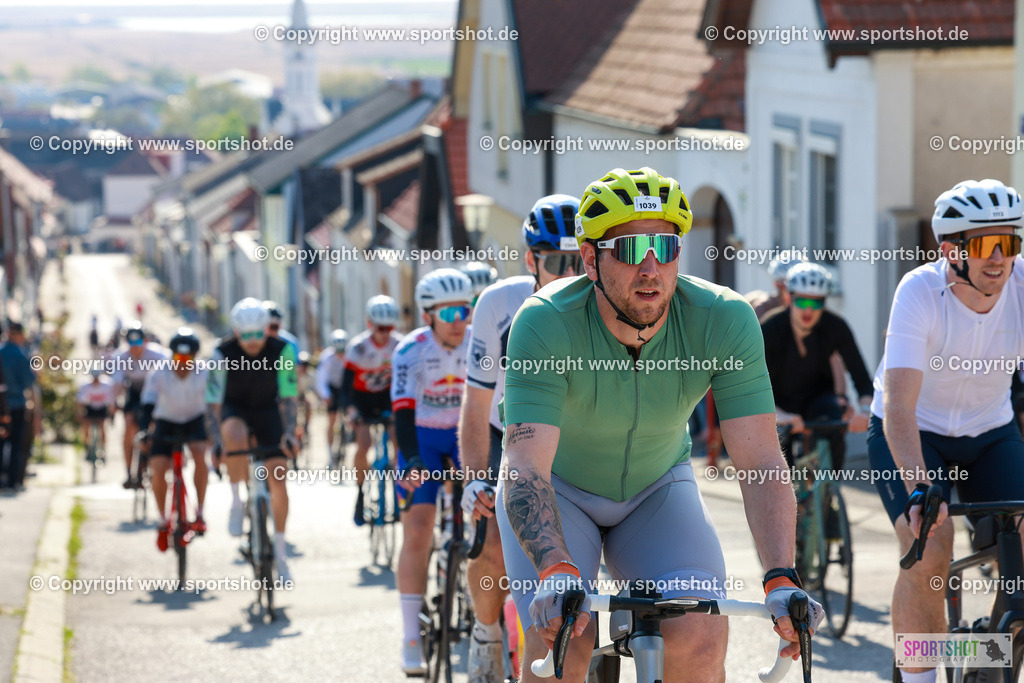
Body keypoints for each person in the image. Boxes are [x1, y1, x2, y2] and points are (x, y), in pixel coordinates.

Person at [497, 167, 823, 682]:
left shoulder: (724, 319)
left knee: (700, 634)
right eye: (629, 250)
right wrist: (557, 569)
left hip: (656, 490)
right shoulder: (544, 321)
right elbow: (524, 466)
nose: (650, 269)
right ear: (590, 258)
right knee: (564, 648)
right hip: (558, 492)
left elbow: (760, 458)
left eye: (666, 248)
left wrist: (781, 576)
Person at [867, 179, 1024, 683]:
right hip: (915, 433)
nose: (999, 258)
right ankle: (921, 678)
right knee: (930, 547)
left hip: (989, 433)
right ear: (950, 250)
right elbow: (899, 409)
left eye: (1011, 243)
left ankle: (992, 660)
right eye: (983, 245)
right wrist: (918, 489)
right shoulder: (919, 293)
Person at [459, 193, 582, 682]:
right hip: (502, 435)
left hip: (573, 438)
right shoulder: (498, 304)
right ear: (532, 260)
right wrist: (473, 479)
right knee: (493, 545)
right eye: (557, 262)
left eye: (580, 259)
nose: (571, 272)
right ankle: (487, 633)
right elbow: (474, 402)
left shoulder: (604, 301)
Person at [393, 268, 474, 675]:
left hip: (465, 437)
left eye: (467, 309)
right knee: (419, 528)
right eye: (450, 313)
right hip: (422, 439)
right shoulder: (410, 351)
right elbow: (403, 415)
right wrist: (410, 460)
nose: (460, 319)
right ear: (429, 315)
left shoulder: (481, 344)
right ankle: (411, 636)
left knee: (483, 521)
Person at [205, 298, 299, 582]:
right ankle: (236, 502)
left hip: (269, 410)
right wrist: (215, 443)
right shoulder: (220, 354)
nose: (253, 341)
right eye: (246, 335)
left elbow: (289, 397)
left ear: (268, 330)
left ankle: (280, 554)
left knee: (278, 481)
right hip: (236, 409)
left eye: (259, 333)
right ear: (235, 333)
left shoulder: (282, 350)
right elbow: (213, 404)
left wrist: (290, 434)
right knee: (233, 435)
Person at [760, 262, 873, 470]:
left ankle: (829, 492)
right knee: (780, 468)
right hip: (776, 403)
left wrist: (865, 411)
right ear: (788, 298)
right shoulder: (770, 329)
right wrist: (779, 415)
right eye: (801, 301)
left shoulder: (836, 326)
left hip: (818, 398)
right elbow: (753, 386)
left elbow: (862, 378)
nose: (809, 310)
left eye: (817, 303)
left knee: (833, 431)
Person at [138, 328, 209, 550]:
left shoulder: (205, 372)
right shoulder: (159, 373)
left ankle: (199, 512)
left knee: (200, 453)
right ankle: (162, 519)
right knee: (157, 468)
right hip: (166, 420)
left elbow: (215, 404)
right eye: (178, 357)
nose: (183, 363)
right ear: (172, 355)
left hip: (194, 419)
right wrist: (144, 430)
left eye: (189, 358)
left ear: (195, 357)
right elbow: (148, 403)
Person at [342, 295, 402, 526]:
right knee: (364, 444)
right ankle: (359, 494)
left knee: (399, 441)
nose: (384, 333)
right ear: (369, 324)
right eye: (379, 328)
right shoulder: (357, 348)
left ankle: (399, 494)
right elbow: (345, 390)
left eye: (389, 328)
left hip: (388, 398)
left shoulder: (399, 345)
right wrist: (351, 411)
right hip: (362, 400)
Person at [112, 322, 169, 489]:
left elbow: (169, 379)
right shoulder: (120, 356)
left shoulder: (160, 355)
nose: (135, 348)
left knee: (154, 425)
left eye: (138, 343)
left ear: (145, 341)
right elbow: (117, 383)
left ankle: (153, 463)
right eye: (131, 343)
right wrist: (113, 403)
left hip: (155, 391)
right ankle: (129, 471)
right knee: (129, 426)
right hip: (135, 390)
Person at [0, 323, 37, 491]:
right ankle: (13, 481)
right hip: (17, 404)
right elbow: (29, 381)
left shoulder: (1, 352)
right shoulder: (21, 355)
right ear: (18, 335)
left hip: (2, 404)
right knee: (17, 444)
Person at [315, 329, 349, 467]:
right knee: (331, 420)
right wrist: (326, 396)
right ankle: (330, 456)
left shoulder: (350, 356)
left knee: (350, 418)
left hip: (345, 388)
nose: (340, 354)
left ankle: (347, 442)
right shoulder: (327, 357)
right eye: (338, 351)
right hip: (332, 389)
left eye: (343, 351)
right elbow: (321, 380)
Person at [76, 368, 114, 453]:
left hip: (102, 408)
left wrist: (111, 414)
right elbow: (80, 401)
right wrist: (79, 412)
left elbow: (111, 402)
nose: (95, 380)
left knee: (102, 427)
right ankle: (87, 447)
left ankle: (103, 449)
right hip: (90, 407)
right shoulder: (85, 385)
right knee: (86, 427)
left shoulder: (107, 384)